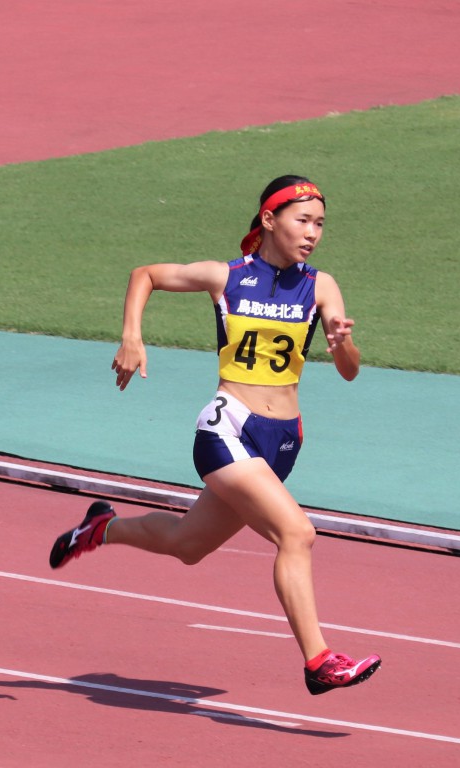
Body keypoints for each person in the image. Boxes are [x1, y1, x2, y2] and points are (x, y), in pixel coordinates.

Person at [48, 175, 381, 695]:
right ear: (270, 220)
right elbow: (146, 275)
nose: (313, 232)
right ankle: (319, 662)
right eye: (302, 220)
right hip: (228, 426)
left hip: (284, 438)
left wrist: (342, 343)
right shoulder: (227, 277)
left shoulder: (321, 286)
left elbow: (350, 370)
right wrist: (132, 338)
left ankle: (100, 528)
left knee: (188, 545)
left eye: (319, 224)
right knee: (297, 534)